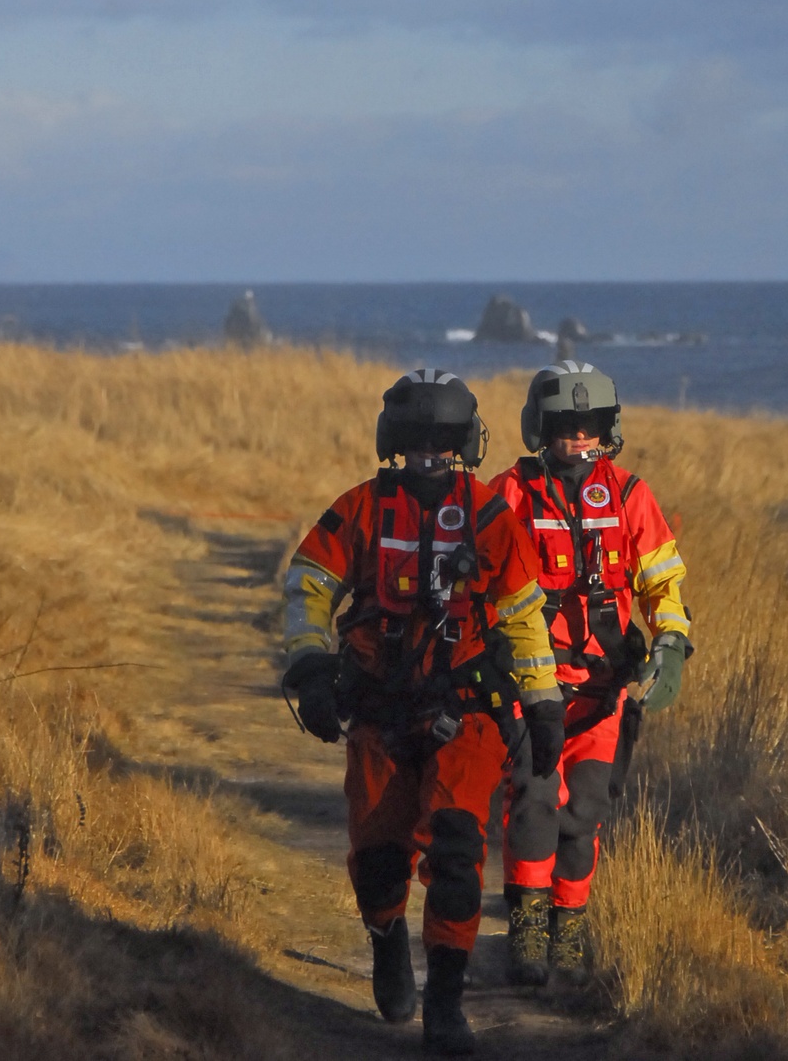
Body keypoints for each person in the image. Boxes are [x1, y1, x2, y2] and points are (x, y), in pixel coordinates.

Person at [281, 369, 564, 1055]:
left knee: (459, 851)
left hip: (465, 713)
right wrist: (313, 666)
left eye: (442, 444)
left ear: (462, 445)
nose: (430, 457)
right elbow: (309, 583)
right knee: (379, 860)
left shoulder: (491, 514)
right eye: (419, 444)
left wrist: (543, 702)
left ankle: (445, 1001)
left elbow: (524, 618)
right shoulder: (362, 509)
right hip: (378, 710)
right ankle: (386, 943)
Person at [488, 360, 692, 986]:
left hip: (603, 693)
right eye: (566, 427)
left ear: (611, 429)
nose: (579, 439)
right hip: (532, 689)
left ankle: (568, 934)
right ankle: (524, 928)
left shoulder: (630, 495)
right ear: (537, 429)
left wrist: (672, 641)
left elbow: (663, 581)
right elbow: (481, 579)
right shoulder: (509, 493)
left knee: (586, 814)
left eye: (592, 426)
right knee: (534, 802)